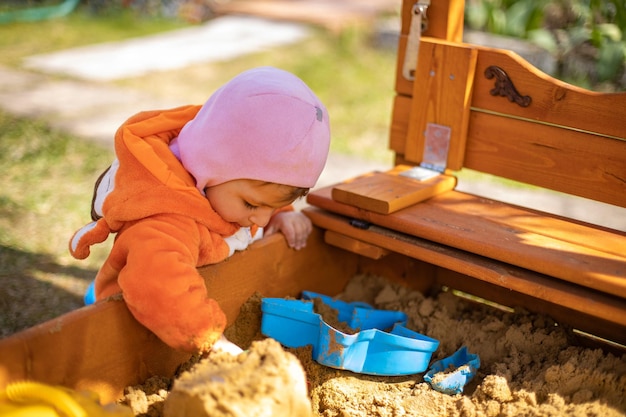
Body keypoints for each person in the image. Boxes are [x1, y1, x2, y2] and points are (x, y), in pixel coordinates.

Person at [69, 67, 330, 354]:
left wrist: (282, 213)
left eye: (274, 205)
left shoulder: (226, 183)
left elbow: (261, 187)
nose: (260, 219)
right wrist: (212, 340)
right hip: (142, 331)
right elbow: (160, 288)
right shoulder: (166, 218)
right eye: (253, 205)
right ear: (210, 167)